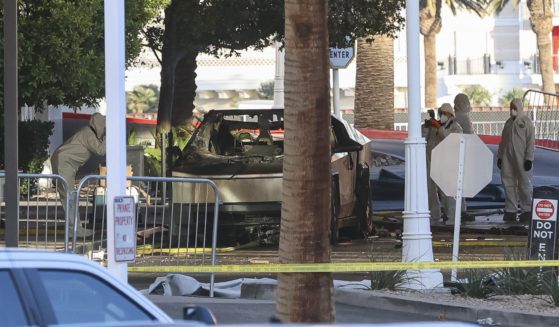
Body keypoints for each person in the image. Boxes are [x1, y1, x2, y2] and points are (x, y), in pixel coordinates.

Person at [51, 113, 106, 237]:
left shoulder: (88, 133)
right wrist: (109, 138)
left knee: (69, 197)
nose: (103, 130)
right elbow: (100, 150)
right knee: (68, 197)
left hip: (64, 163)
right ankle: (74, 229)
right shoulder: (88, 133)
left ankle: (75, 228)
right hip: (64, 163)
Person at [423, 103, 463, 225]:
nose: (442, 116)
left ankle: (452, 218)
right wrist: (426, 126)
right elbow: (425, 137)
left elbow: (449, 139)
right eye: (440, 113)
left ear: (450, 114)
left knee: (447, 193)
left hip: (446, 164)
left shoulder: (456, 128)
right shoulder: (436, 126)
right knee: (431, 191)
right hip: (432, 161)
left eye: (444, 113)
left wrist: (438, 127)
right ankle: (434, 216)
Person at [497, 99, 535, 223]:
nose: (512, 109)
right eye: (511, 107)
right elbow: (503, 141)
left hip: (522, 157)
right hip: (508, 157)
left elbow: (530, 142)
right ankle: (510, 210)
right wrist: (500, 156)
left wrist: (529, 158)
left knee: (524, 183)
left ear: (519, 108)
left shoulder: (526, 122)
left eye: (514, 107)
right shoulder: (508, 123)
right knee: (508, 183)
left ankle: (527, 210)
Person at [453, 93, 475, 221]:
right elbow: (469, 137)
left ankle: (456, 209)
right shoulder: (464, 118)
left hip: (455, 154)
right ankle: (461, 211)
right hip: (462, 155)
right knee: (460, 184)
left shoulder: (454, 118)